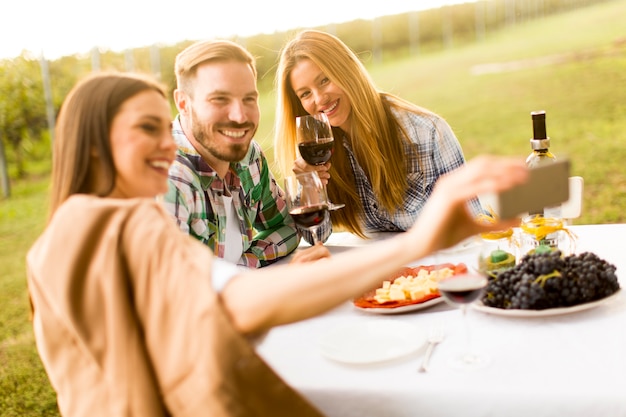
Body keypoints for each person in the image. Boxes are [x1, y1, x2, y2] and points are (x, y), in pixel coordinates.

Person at [26, 72, 528, 416]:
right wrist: (416, 244)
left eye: (165, 128)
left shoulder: (63, 237)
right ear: (94, 143)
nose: (167, 144)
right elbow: (236, 303)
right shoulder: (120, 227)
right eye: (146, 129)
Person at [274, 29, 485, 239]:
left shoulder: (427, 133)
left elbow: (471, 225)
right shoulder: (321, 153)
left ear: (347, 70)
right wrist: (310, 186)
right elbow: (316, 237)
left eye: (324, 80)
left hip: (441, 264)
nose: (320, 99)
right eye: (305, 93)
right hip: (383, 268)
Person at [161, 39, 325, 267]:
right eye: (219, 99)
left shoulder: (249, 156)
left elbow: (287, 226)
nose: (239, 117)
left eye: (249, 99)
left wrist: (246, 262)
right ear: (183, 103)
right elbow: (178, 294)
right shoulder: (166, 178)